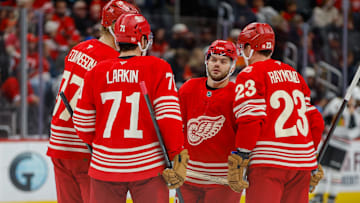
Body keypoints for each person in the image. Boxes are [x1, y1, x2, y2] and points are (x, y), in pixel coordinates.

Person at [73, 13, 188, 203]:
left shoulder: (96, 71)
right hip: (148, 167)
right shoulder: (158, 67)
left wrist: (105, 148)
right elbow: (169, 118)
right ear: (143, 40)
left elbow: (82, 122)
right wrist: (177, 155)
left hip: (104, 168)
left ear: (117, 41)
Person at [46, 1, 139, 203]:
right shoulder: (115, 62)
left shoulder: (79, 48)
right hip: (85, 148)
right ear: (114, 25)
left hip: (59, 142)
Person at [228, 22, 325, 203]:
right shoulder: (294, 74)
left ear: (250, 47)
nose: (241, 52)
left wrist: (242, 154)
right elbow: (316, 122)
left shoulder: (250, 74)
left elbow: (251, 118)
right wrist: (312, 159)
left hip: (269, 163)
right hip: (301, 166)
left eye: (243, 47)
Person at [178, 40, 242, 202]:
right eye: (213, 59)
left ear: (232, 66)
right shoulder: (189, 88)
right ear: (206, 61)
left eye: (223, 61)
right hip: (188, 177)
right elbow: (177, 126)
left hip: (223, 180)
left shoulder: (239, 94)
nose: (217, 65)